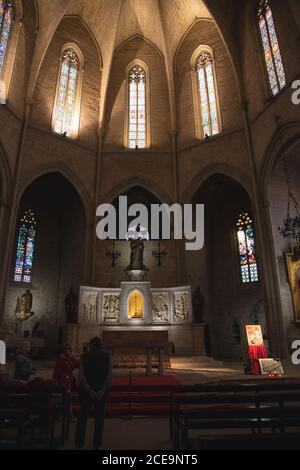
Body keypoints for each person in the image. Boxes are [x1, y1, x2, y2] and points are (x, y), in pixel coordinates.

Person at [75, 337, 112, 450]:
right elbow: (109, 376)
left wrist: (88, 389)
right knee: (99, 419)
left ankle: (79, 444)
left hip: (87, 392)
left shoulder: (84, 356)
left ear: (91, 345)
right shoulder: (107, 356)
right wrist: (102, 390)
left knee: (82, 418)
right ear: (101, 345)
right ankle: (97, 444)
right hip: (101, 392)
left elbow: (81, 375)